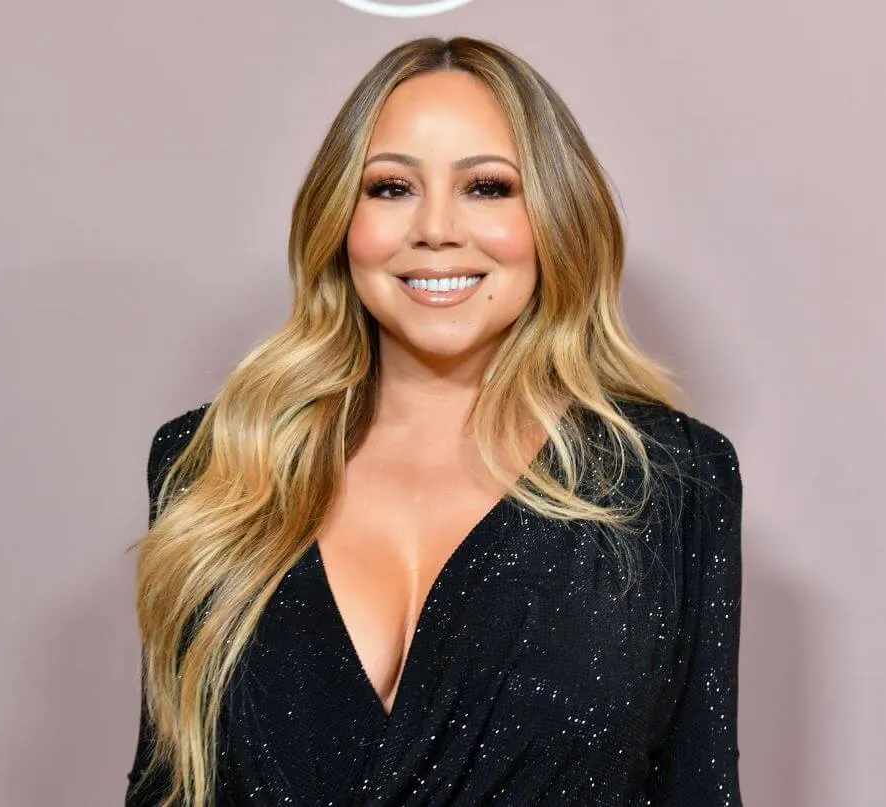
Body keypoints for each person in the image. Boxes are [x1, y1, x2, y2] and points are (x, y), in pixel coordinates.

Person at [126, 35, 744, 807]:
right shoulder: (214, 463)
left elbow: (700, 786)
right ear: (339, 218)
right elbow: (167, 785)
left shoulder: (673, 480)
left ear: (556, 214)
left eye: (487, 187)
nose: (437, 228)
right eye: (392, 188)